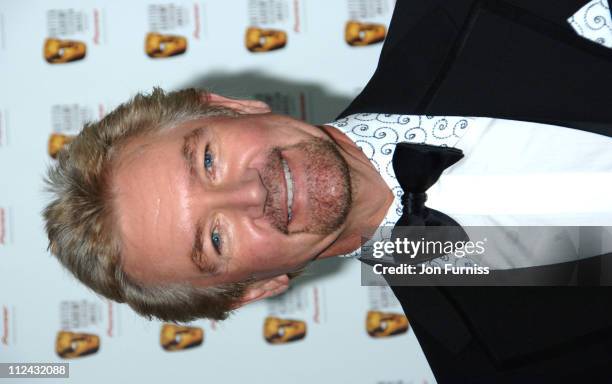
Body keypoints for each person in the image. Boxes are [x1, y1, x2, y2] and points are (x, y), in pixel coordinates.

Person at [44, 0, 612, 381]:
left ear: (230, 106)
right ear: (258, 289)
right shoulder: (491, 368)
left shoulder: (458, 10)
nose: (248, 195)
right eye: (214, 240)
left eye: (208, 160)